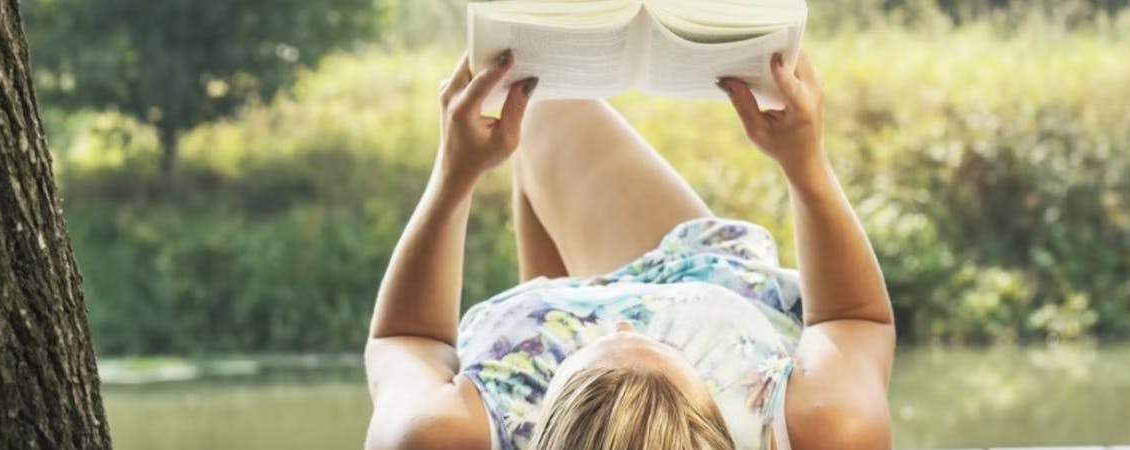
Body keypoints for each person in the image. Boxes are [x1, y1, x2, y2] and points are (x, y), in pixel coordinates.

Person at [363, 48, 894, 450]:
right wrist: (805, 166)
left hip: (524, 341)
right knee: (547, 101)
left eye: (584, 355)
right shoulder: (827, 424)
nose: (622, 325)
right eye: (659, 345)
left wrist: (455, 173)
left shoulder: (437, 433)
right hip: (700, 285)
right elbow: (853, 319)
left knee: (532, 90)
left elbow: (405, 338)